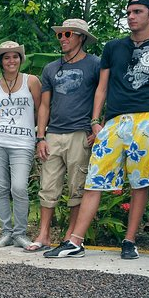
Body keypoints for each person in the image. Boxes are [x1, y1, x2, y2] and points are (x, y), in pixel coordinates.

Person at [45, 0, 149, 259]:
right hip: (114, 121)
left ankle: (129, 241)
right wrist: (95, 121)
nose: (131, 16)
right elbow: (101, 89)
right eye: (129, 12)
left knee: (140, 182)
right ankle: (75, 242)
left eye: (138, 12)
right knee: (94, 180)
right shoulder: (113, 47)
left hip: (145, 118)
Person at [25, 19, 101, 252]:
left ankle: (71, 236)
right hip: (53, 134)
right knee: (47, 187)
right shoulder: (50, 68)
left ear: (81, 37)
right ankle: (44, 235)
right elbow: (44, 106)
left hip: (80, 133)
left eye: (68, 34)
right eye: (60, 35)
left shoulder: (95, 64)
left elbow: (104, 94)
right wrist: (41, 137)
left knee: (77, 187)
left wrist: (99, 126)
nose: (63, 38)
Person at [0, 41, 42, 249]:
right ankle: (6, 232)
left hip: (23, 142)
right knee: (1, 188)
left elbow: (41, 108)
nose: (11, 61)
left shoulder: (31, 81)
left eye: (15, 56)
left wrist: (36, 131)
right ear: (1, 61)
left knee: (19, 187)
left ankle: (20, 233)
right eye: (6, 57)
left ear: (20, 59)